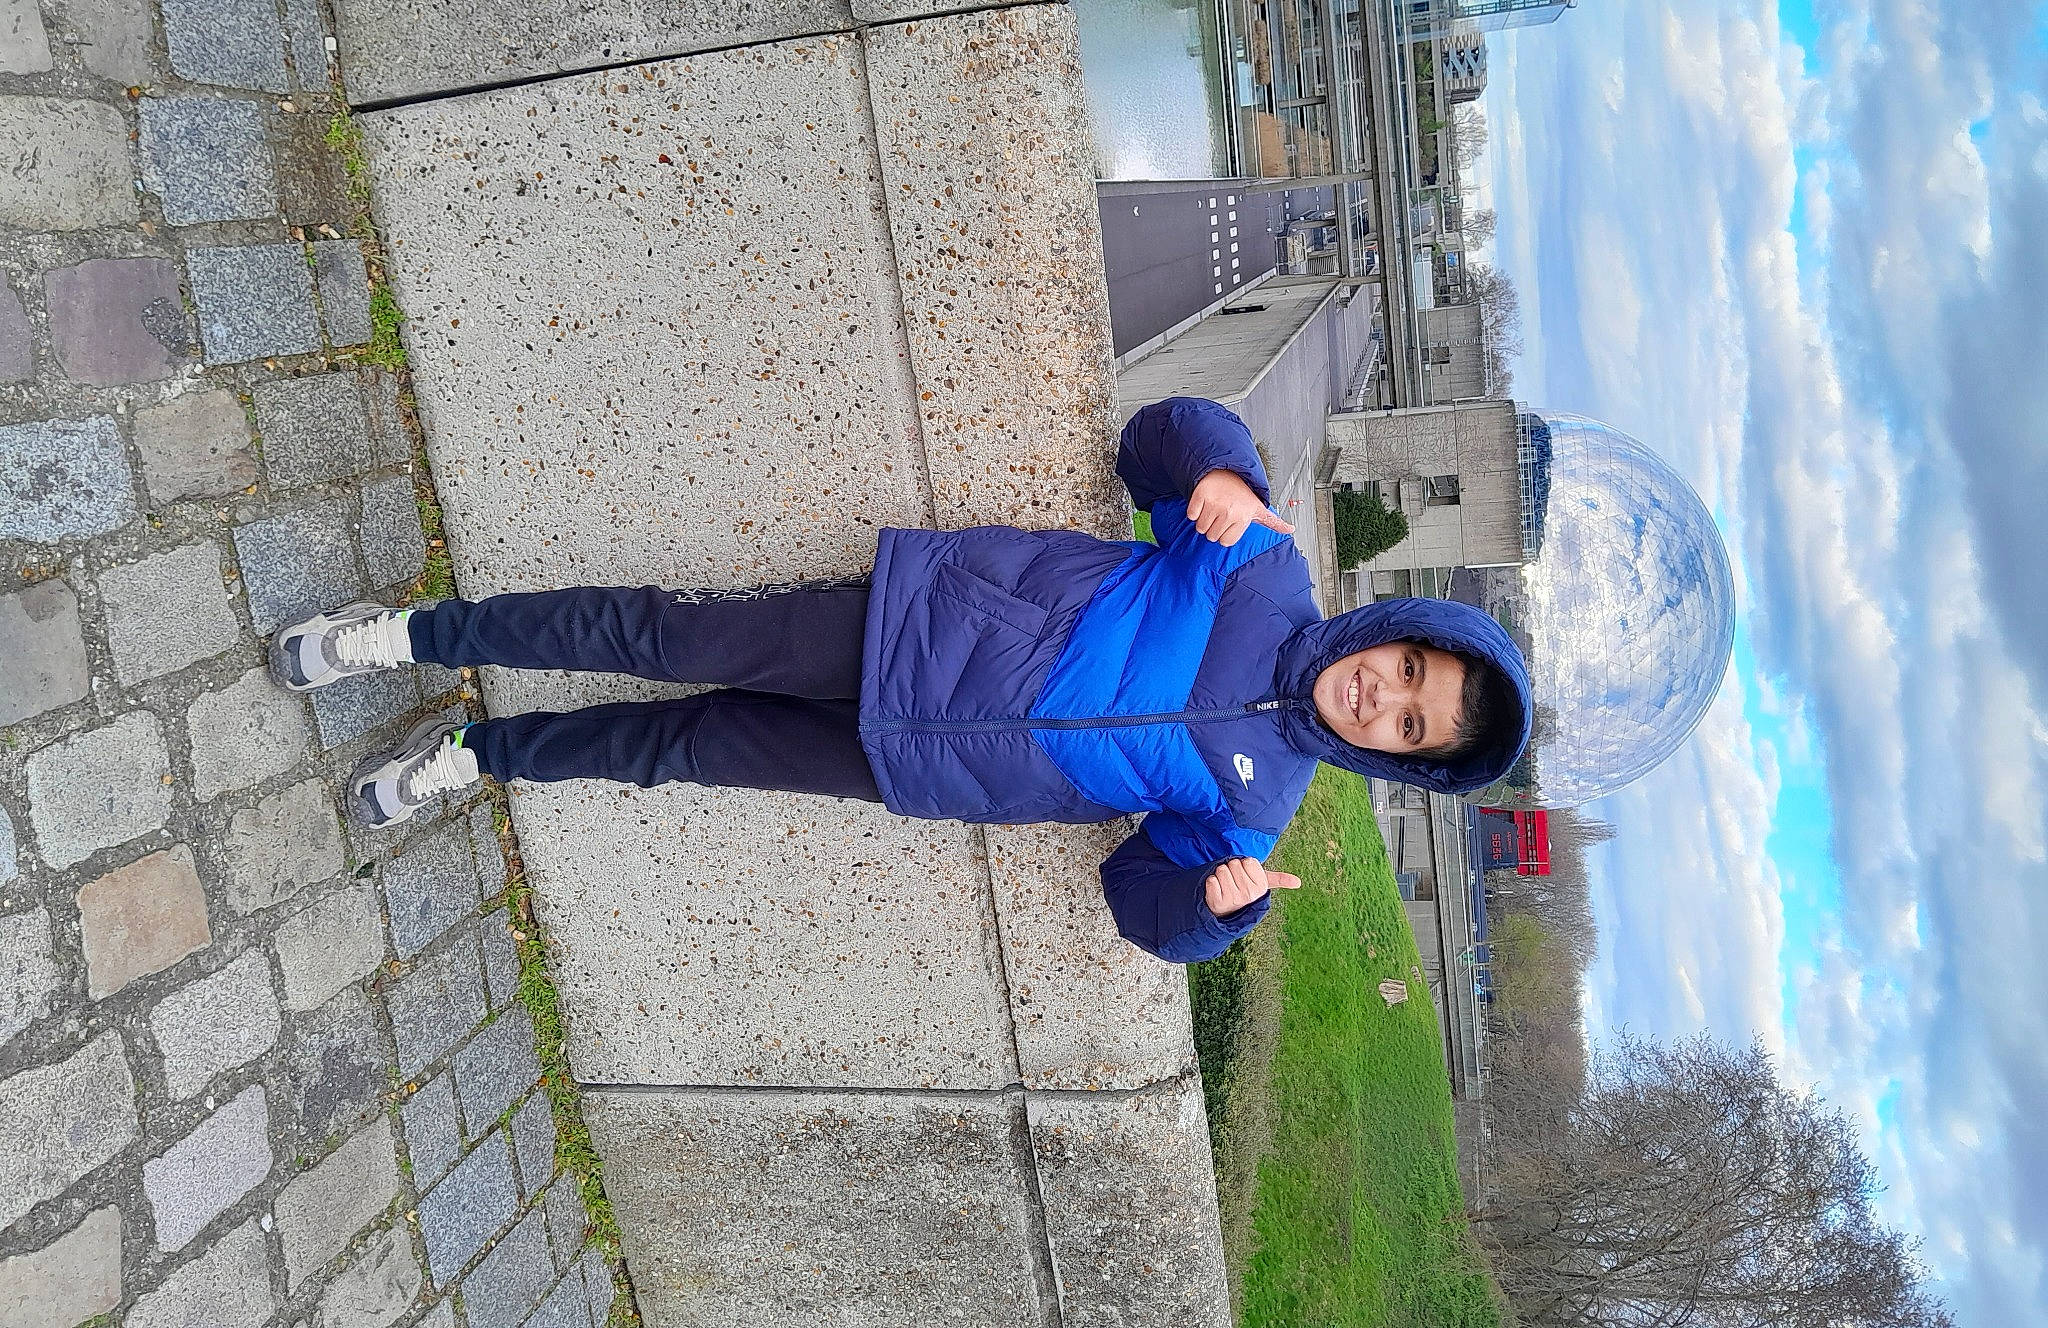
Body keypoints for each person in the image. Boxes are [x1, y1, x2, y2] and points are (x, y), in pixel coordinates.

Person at [268, 397, 1531, 963]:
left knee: (680, 751)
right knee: (659, 639)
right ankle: (412, 637)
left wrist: (1216, 909)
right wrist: (1220, 465)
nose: (1384, 696)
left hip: (914, 766)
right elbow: (1152, 437)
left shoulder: (1256, 811)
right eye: (1406, 667)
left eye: (1410, 725)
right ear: (1398, 630)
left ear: (1399, 757)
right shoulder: (1263, 570)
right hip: (914, 629)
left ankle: (474, 758)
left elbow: (1135, 899)